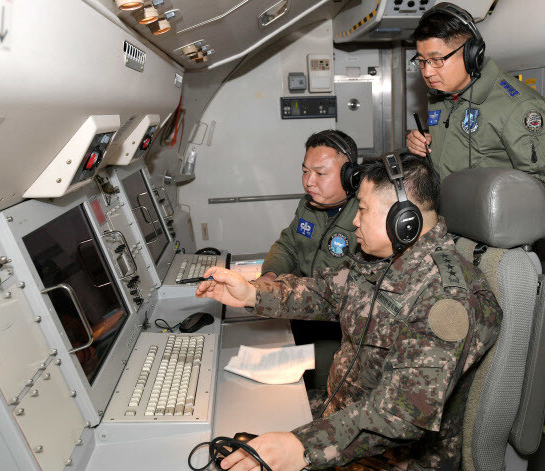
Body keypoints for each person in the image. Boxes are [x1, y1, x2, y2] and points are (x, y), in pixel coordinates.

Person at [196, 154, 501, 470]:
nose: (355, 220)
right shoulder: (390, 260)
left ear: (403, 220)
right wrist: (251, 293)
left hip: (391, 458)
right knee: (228, 429)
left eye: (364, 210)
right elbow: (325, 292)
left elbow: (398, 417)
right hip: (341, 417)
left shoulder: (446, 301)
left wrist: (300, 447)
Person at [406, 2, 545, 184]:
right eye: (422, 61)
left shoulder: (518, 106)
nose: (427, 71)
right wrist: (421, 144)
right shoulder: (439, 96)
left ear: (470, 54)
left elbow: (538, 187)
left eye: (436, 59)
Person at [260, 129, 360, 282]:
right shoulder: (308, 204)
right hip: (305, 294)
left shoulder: (365, 213)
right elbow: (288, 246)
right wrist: (270, 274)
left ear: (349, 177)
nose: (308, 182)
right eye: (305, 171)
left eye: (320, 174)